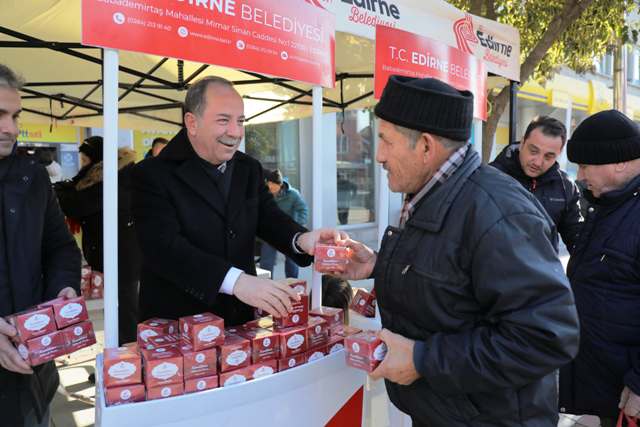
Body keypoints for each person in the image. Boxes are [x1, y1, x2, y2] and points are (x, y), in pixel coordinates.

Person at [330, 75, 580, 426]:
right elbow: (450, 274)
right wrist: (379, 264)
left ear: (427, 147)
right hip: (447, 411)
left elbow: (546, 337)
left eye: (385, 140)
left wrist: (423, 360)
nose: (379, 155)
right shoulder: (432, 190)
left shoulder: (498, 212)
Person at [132, 76, 342, 326]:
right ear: (192, 122)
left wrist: (301, 240)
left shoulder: (248, 168)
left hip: (239, 323)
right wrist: (236, 281)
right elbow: (164, 249)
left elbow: (268, 217)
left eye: (240, 121)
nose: (235, 133)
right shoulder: (151, 174)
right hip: (179, 329)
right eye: (223, 121)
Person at [0, 64, 81, 427]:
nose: (10, 129)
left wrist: (62, 290)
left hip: (33, 369)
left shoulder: (31, 176)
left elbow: (61, 247)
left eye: (15, 116)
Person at [559, 109, 640, 427]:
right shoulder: (607, 206)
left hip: (630, 396)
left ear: (618, 162)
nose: (579, 176)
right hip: (607, 390)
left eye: (584, 165)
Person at [55, 137, 141, 344]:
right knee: (118, 306)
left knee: (126, 308)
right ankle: (121, 354)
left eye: (85, 160)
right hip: (118, 252)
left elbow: (79, 204)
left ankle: (127, 359)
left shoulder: (114, 177)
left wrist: (58, 191)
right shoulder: (101, 176)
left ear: (97, 159)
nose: (83, 165)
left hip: (123, 254)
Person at [490, 116, 583, 250]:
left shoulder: (566, 186)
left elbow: (577, 239)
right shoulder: (491, 177)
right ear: (522, 142)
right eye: (533, 151)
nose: (538, 162)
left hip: (543, 269)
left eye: (548, 156)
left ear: (559, 153)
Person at [259, 169, 308, 278]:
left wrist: (296, 225)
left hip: (288, 231)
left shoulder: (293, 195)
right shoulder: (265, 194)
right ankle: (266, 285)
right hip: (270, 232)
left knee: (292, 262)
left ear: (280, 185)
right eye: (269, 184)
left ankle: (293, 284)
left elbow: (303, 210)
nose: (270, 188)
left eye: (273, 185)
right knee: (266, 262)